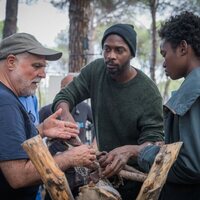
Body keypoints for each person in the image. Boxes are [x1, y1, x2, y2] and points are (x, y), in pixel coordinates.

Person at [52, 23, 164, 199]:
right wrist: (66, 115)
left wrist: (128, 151)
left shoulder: (148, 93)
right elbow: (65, 96)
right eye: (107, 49)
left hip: (135, 180)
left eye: (119, 50)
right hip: (103, 173)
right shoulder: (96, 71)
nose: (111, 56)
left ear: (132, 54)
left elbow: (155, 144)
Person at [0, 32, 96, 200]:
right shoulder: (5, 103)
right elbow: (18, 176)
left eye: (44, 68)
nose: (43, 74)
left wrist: (42, 129)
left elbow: (10, 144)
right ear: (11, 62)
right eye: (36, 66)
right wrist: (69, 158)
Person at [157, 11, 200, 200]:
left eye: (164, 53)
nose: (163, 63)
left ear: (183, 48)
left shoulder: (192, 91)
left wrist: (145, 153)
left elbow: (190, 167)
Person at [39, 74, 94, 144]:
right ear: (62, 89)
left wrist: (94, 145)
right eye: (70, 88)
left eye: (76, 88)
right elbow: (33, 133)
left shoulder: (84, 107)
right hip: (56, 153)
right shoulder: (47, 110)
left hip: (80, 151)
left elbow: (99, 124)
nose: (73, 91)